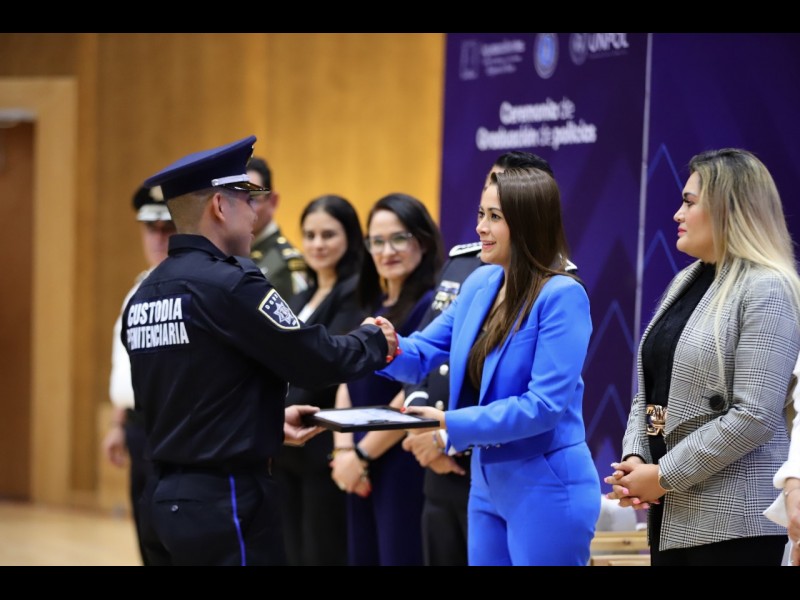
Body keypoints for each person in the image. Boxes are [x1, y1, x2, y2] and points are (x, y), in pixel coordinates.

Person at [122, 135, 398, 566]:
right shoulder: (231, 283)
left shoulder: (144, 295)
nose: (254, 212)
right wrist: (373, 340)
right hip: (223, 498)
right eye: (247, 199)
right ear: (219, 206)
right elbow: (313, 359)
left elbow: (191, 392)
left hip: (159, 499)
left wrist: (264, 422)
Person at [384, 167, 600, 566]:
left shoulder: (562, 295)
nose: (480, 227)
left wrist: (449, 423)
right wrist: (378, 345)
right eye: (481, 214)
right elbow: (421, 352)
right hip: (485, 482)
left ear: (528, 222)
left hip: (546, 484)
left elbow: (544, 407)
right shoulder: (480, 284)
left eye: (495, 217)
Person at [605, 148, 800, 566]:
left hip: (734, 525)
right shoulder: (686, 279)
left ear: (728, 210)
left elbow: (754, 416)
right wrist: (636, 458)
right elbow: (650, 390)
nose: (678, 214)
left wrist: (662, 475)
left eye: (689, 203)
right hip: (673, 514)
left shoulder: (768, 288)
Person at [329, 192, 444, 566]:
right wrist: (344, 452)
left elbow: (414, 389)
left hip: (400, 459)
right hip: (360, 463)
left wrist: (362, 454)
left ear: (422, 241)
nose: (386, 250)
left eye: (398, 238)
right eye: (377, 241)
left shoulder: (431, 305)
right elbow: (348, 379)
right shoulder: (374, 305)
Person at [273, 194, 366, 566]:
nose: (317, 244)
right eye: (309, 235)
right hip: (284, 442)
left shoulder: (357, 293)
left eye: (328, 234)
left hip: (321, 440)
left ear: (350, 238)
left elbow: (328, 364)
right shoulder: (299, 295)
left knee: (321, 552)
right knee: (289, 551)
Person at [101, 184, 176, 565]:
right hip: (137, 426)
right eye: (151, 228)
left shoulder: (187, 288)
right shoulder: (139, 288)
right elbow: (126, 365)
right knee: (146, 533)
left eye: (167, 227)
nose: (158, 237)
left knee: (170, 535)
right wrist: (118, 423)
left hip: (171, 426)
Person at [246, 156, 308, 301]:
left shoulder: (285, 264)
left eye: (252, 199)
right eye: (236, 200)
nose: (243, 208)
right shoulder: (230, 253)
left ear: (273, 201)